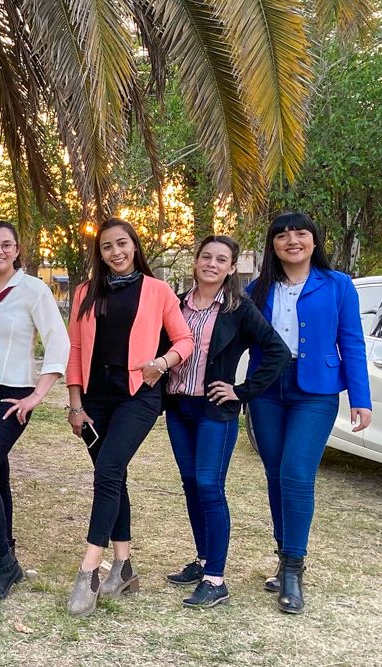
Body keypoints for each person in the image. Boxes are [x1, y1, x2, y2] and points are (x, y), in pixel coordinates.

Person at [64, 217, 193, 618]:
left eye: (122, 244)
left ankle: (89, 572)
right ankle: (124, 567)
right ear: (99, 253)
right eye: (107, 247)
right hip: (94, 401)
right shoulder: (86, 292)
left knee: (107, 472)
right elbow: (74, 349)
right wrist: (74, 403)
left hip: (138, 397)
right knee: (112, 476)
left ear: (134, 246)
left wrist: (162, 361)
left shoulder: (156, 290)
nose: (116, 252)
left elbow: (184, 340)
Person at [246, 212, 372, 614]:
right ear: (273, 245)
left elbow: (352, 341)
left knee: (296, 474)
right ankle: (283, 560)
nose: (292, 240)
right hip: (266, 390)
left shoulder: (338, 285)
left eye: (301, 233)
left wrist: (361, 398)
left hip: (315, 391)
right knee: (274, 474)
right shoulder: (256, 288)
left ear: (314, 241)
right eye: (282, 235)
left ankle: (294, 570)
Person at [162, 236, 289, 609]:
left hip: (214, 412)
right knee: (189, 484)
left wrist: (243, 390)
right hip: (178, 409)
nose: (212, 264)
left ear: (232, 268)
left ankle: (216, 579)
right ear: (196, 261)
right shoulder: (177, 303)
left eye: (221, 260)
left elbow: (278, 351)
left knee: (209, 486)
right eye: (206, 257)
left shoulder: (239, 309)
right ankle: (203, 562)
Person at [0, 220, 69, 601]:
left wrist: (36, 396)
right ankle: (9, 560)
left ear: (17, 249)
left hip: (12, 396)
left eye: (7, 245)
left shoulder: (34, 291)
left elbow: (59, 342)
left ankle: (1, 563)